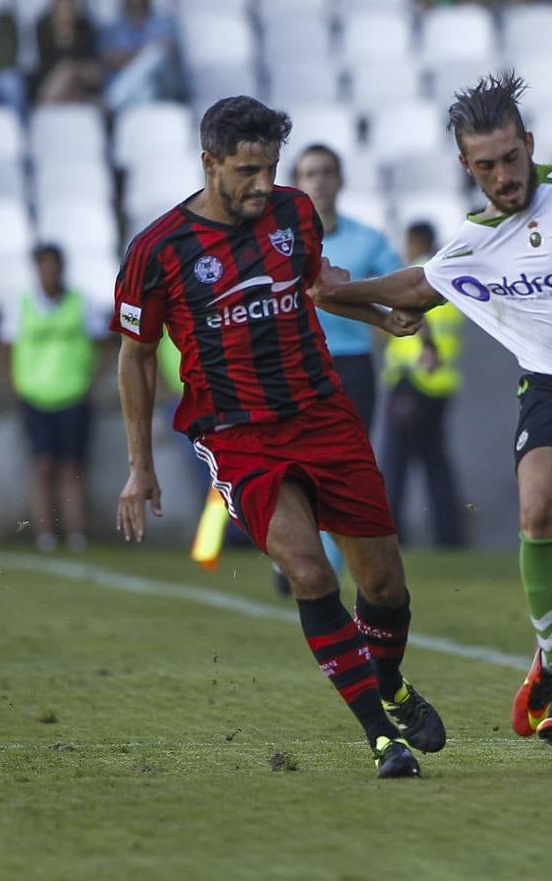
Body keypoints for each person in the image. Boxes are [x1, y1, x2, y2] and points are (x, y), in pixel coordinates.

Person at [308, 71, 552, 742]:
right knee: (539, 509)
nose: (503, 176)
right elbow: (415, 287)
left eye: (511, 159)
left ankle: (548, 663)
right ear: (466, 166)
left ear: (530, 145)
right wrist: (334, 292)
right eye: (485, 165)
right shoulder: (473, 242)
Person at [111, 95, 445, 778]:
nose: (263, 184)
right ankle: (383, 737)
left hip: (323, 414)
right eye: (246, 171)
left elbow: (318, 284)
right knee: (309, 570)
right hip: (238, 435)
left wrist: (384, 317)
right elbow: (135, 355)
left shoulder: (293, 213)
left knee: (384, 586)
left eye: (270, 167)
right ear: (209, 163)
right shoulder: (158, 250)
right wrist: (138, 465)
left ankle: (391, 683)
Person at [280, 143, 404, 590]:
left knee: (344, 465)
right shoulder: (279, 242)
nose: (319, 181)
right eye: (310, 172)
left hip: (351, 366)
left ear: (341, 180)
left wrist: (420, 334)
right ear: (297, 181)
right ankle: (299, 551)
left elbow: (402, 286)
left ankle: (326, 559)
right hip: (293, 363)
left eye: (327, 171)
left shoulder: (368, 239)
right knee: (294, 464)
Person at [0, 244, 108, 552]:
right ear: (36, 269)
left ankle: (75, 534)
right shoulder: (20, 304)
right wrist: (17, 385)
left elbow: (103, 343)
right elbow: (5, 348)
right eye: (43, 265)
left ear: (62, 267)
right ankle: (44, 535)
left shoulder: (81, 302)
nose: (49, 271)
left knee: (71, 467)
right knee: (42, 465)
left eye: (53, 265)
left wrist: (90, 383)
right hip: (35, 396)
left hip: (73, 394)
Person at [379, 221, 467, 548]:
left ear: (415, 240)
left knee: (396, 463)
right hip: (439, 385)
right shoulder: (449, 280)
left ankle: (391, 535)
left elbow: (411, 318)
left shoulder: (417, 275)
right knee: (436, 463)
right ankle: (450, 537)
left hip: (410, 380)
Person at [100, 0, 183, 112]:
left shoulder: (164, 23)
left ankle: (113, 99)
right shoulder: (113, 28)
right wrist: (146, 54)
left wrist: (135, 56)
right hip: (140, 94)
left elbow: (168, 54)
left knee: (157, 53)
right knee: (146, 84)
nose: (136, 0)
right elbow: (112, 60)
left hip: (163, 86)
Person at [31, 0, 104, 105]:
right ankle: (45, 105)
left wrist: (69, 32)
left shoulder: (85, 25)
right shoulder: (43, 25)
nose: (65, 9)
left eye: (69, 4)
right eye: (62, 4)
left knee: (79, 71)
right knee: (65, 71)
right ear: (54, 5)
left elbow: (88, 56)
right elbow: (45, 60)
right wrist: (62, 34)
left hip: (80, 76)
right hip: (50, 77)